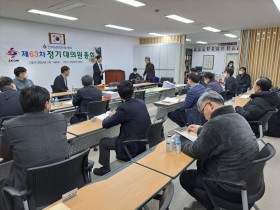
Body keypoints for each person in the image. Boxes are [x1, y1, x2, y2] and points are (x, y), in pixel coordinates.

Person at [180, 91, 259, 210]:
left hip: (231, 188)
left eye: (202, 112)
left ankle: (213, 205)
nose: (204, 116)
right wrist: (201, 129)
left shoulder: (214, 124)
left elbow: (197, 151)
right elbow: (222, 133)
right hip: (248, 182)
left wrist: (181, 143)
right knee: (202, 163)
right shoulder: (238, 116)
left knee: (185, 177)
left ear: (210, 105)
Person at [0, 86, 70, 210]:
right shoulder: (60, 119)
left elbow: (5, 153)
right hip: (62, 180)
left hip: (28, 187)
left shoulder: (9, 126)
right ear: (47, 104)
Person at [93, 81, 151, 176]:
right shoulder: (141, 103)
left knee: (103, 142)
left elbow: (106, 124)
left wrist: (110, 115)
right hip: (143, 142)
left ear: (119, 95)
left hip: (131, 145)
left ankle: (105, 169)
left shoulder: (123, 108)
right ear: (133, 92)